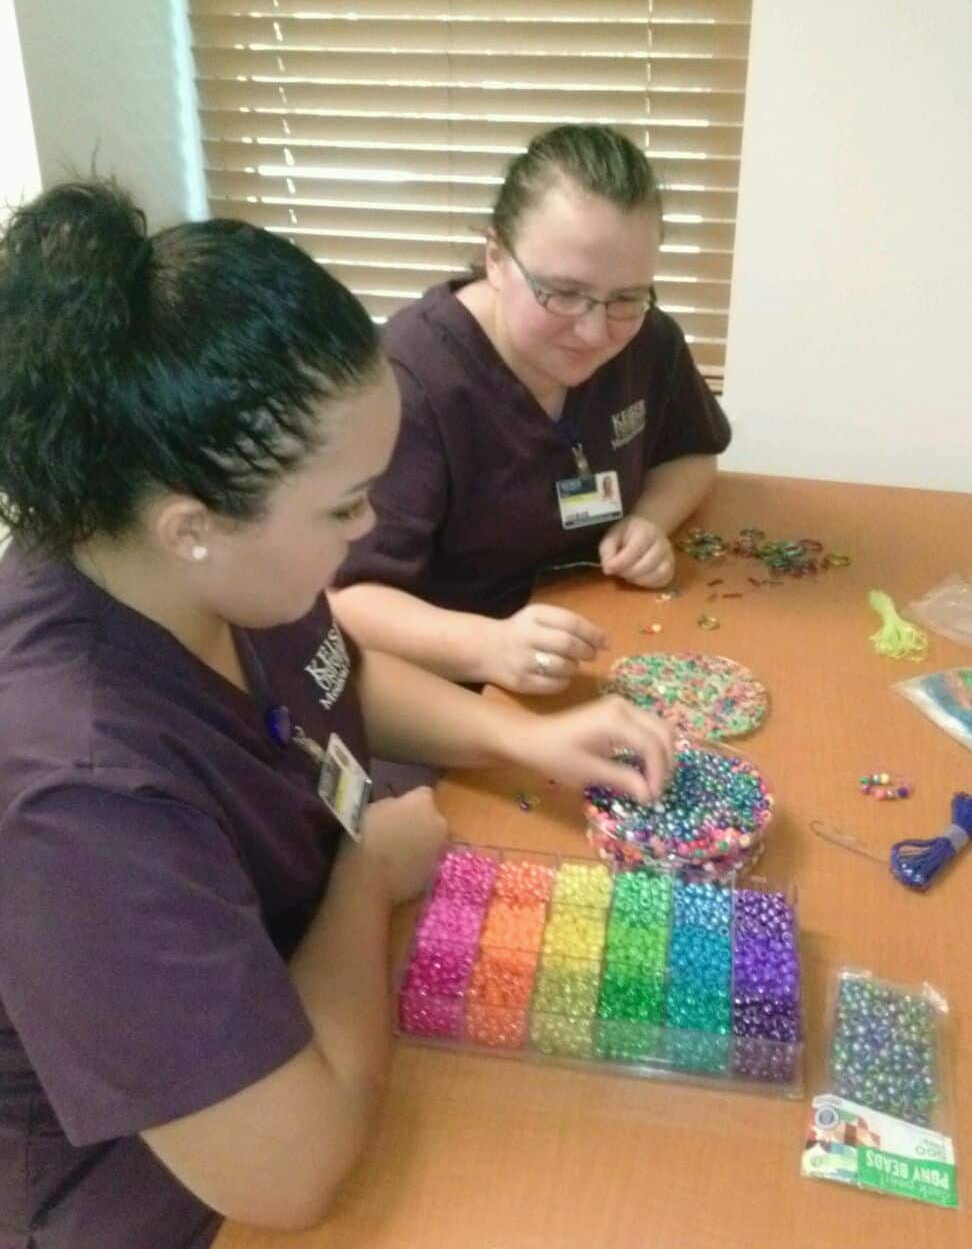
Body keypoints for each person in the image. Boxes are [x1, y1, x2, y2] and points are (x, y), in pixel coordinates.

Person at [0, 181, 674, 1249]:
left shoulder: (174, 552)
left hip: (312, 979)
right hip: (172, 1194)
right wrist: (368, 873)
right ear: (193, 527)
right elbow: (288, 1172)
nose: (368, 530)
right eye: (343, 507)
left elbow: (330, 667)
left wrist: (521, 737)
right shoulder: (75, 797)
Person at [331, 124, 732, 697]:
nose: (596, 332)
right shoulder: (410, 383)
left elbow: (692, 454)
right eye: (563, 293)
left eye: (626, 298)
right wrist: (487, 646)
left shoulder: (648, 339)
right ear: (496, 258)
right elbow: (350, 600)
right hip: (449, 685)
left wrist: (648, 521)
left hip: (597, 635)